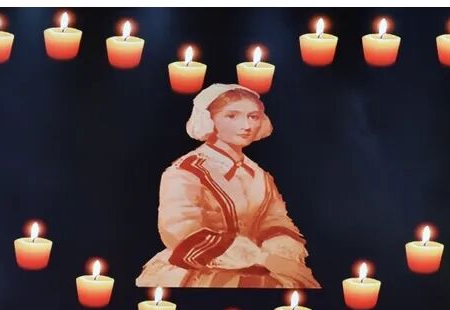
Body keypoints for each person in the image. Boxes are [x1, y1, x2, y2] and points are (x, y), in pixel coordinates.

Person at [136, 83, 320, 288]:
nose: (246, 125)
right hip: (199, 270)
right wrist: (262, 259)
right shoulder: (186, 171)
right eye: (232, 116)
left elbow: (276, 222)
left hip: (265, 267)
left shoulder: (259, 174)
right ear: (210, 120)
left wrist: (278, 256)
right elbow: (180, 232)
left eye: (253, 116)